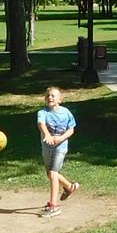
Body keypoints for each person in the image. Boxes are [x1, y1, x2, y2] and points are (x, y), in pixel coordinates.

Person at [36, 86, 80, 218]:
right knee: (50, 175)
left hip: (61, 148)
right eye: (48, 95)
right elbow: (41, 124)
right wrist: (47, 135)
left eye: (53, 95)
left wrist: (61, 138)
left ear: (60, 99)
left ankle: (53, 205)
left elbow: (71, 129)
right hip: (47, 148)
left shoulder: (66, 112)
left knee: (53, 173)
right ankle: (69, 186)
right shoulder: (42, 112)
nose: (50, 97)